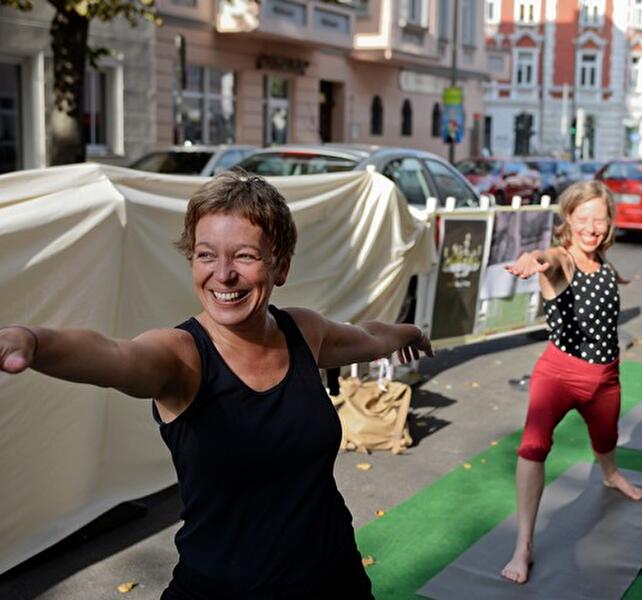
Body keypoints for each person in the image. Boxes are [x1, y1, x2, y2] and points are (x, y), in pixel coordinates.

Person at [0, 171, 433, 599]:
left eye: (244, 256)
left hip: (334, 579)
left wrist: (408, 333)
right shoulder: (181, 356)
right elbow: (114, 355)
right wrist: (36, 342)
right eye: (206, 255)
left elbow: (369, 337)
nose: (223, 275)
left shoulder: (303, 331)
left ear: (280, 266)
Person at [500, 180, 642, 585]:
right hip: (559, 375)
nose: (591, 227)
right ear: (568, 220)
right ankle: (523, 545)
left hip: (605, 377)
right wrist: (535, 259)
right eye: (583, 219)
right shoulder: (562, 260)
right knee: (533, 446)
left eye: (599, 219)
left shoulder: (603, 263)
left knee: (606, 437)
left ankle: (611, 473)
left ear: (609, 224)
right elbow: (550, 260)